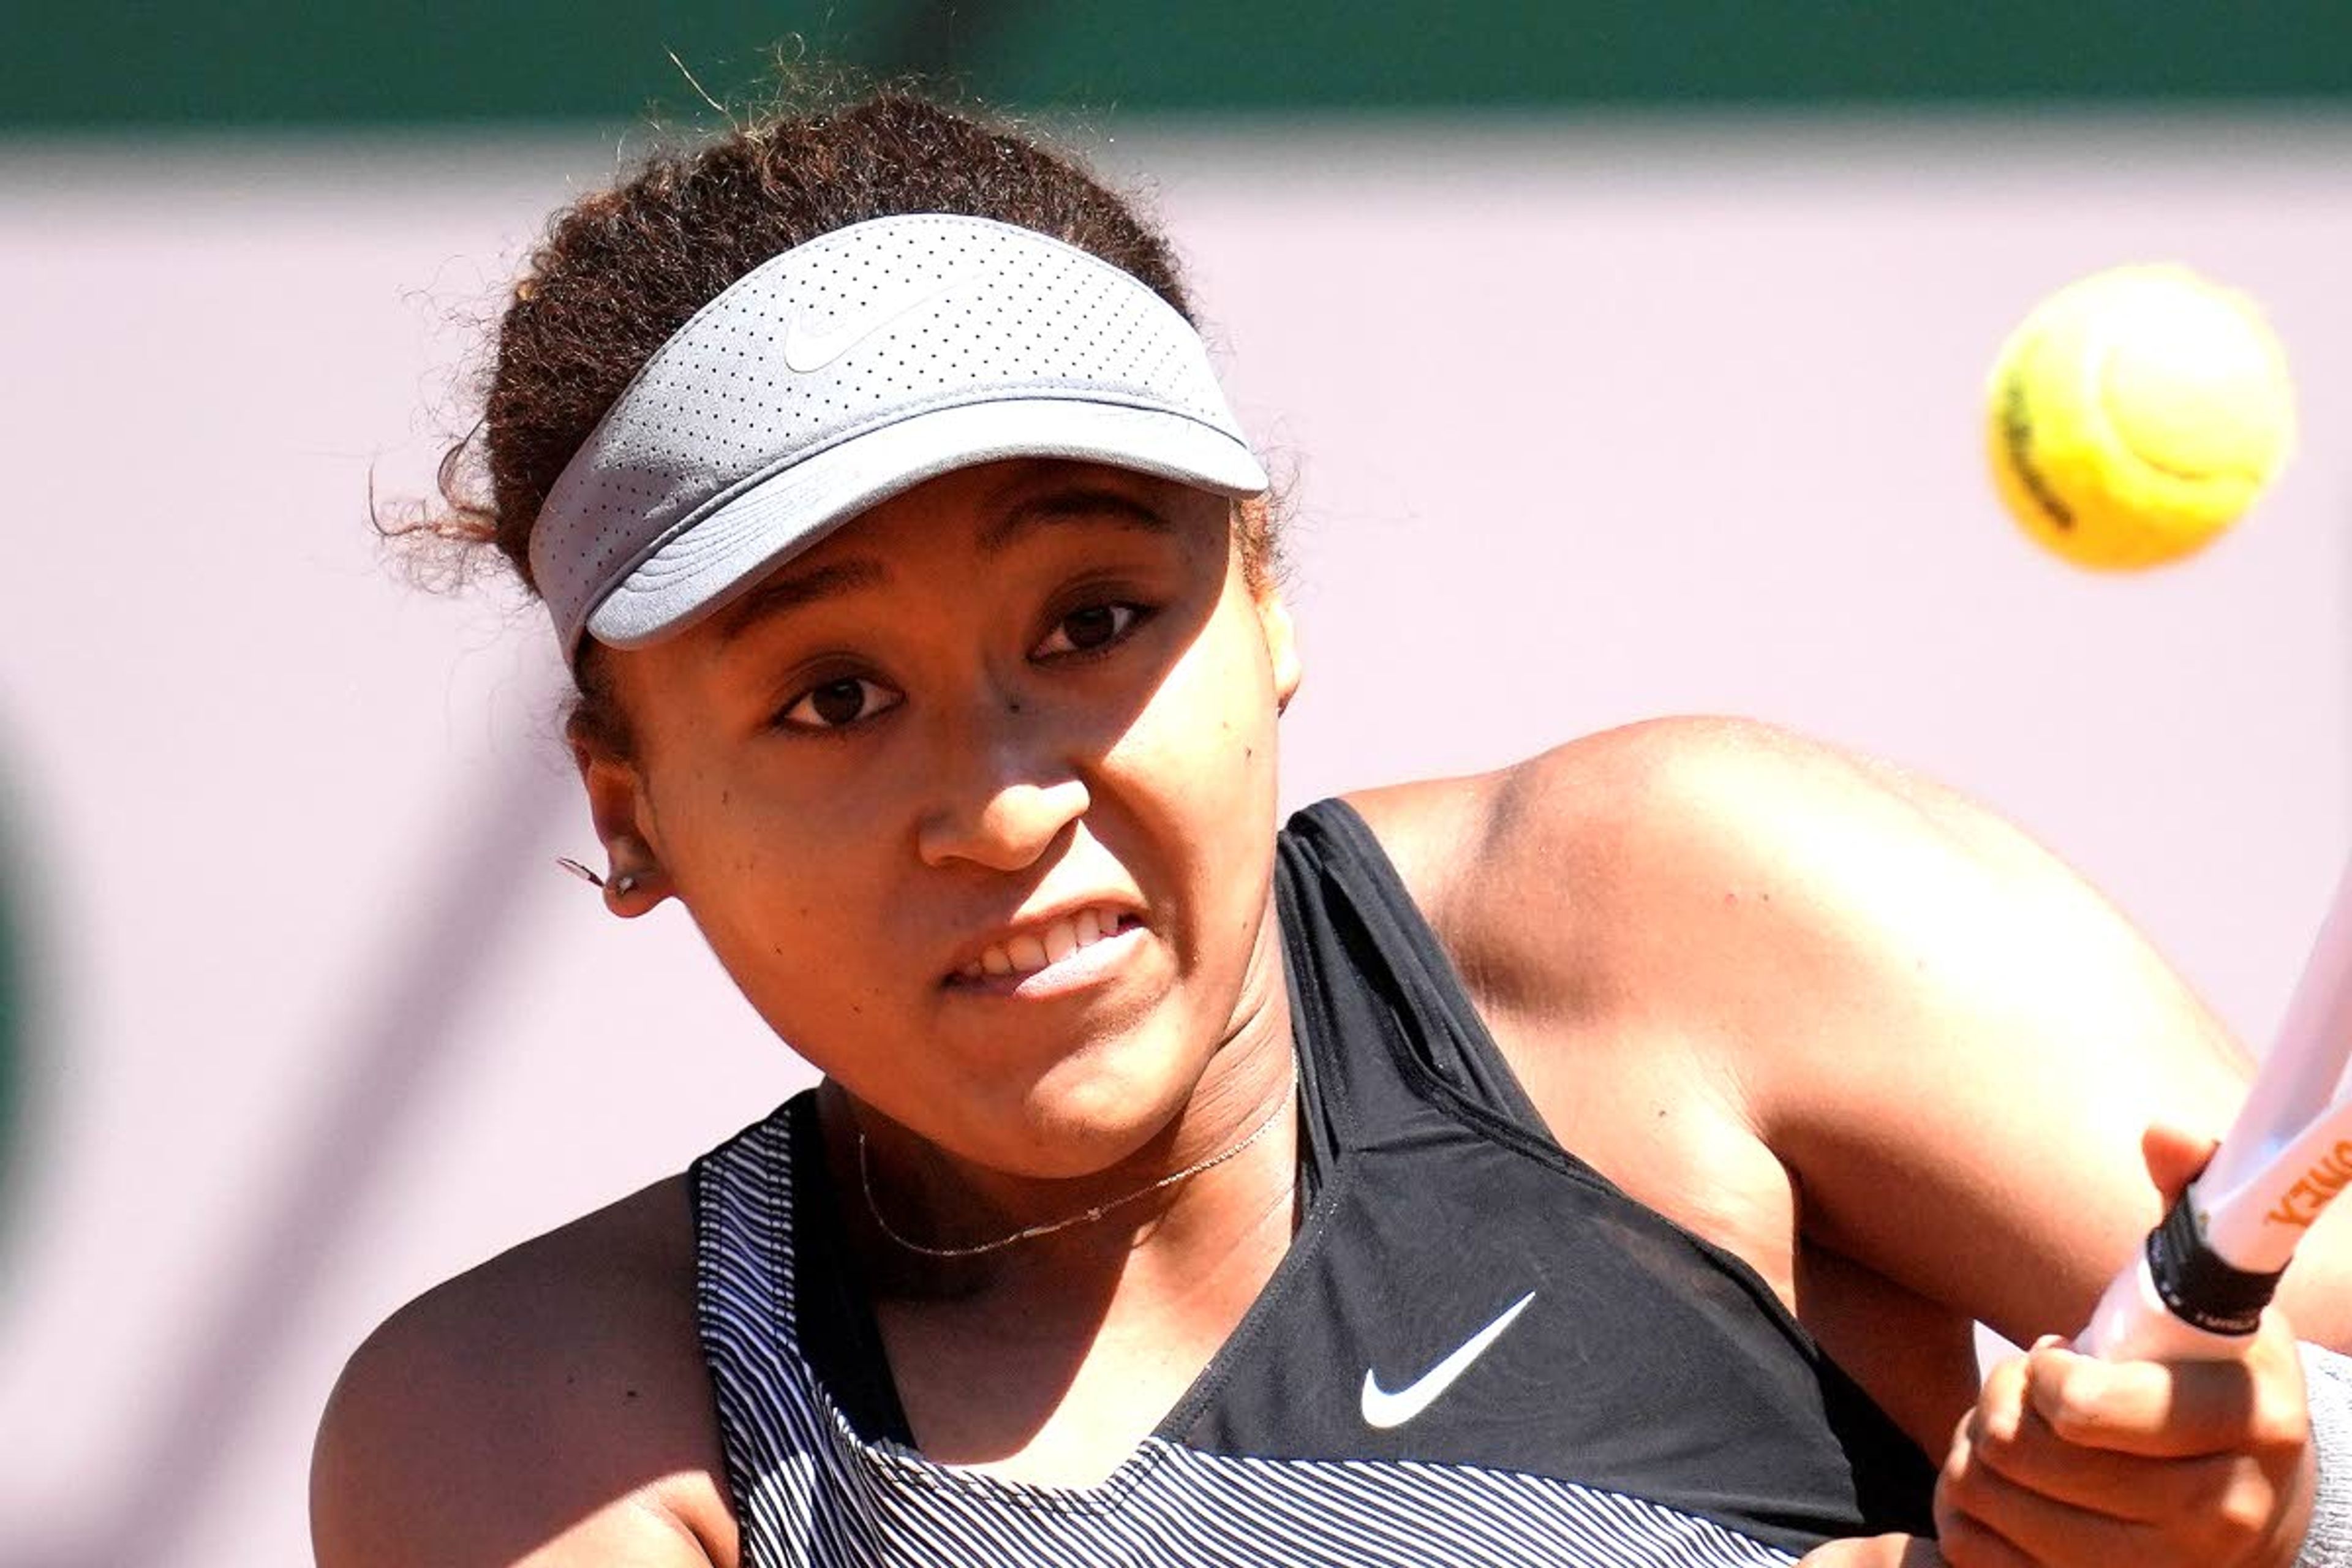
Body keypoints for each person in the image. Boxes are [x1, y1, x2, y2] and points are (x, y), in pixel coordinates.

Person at [311, 85, 2352, 1567]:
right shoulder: (534, 1434)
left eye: (1097, 621)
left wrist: (2292, 1499)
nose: (1009, 800)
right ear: (632, 806)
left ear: (1269, 602)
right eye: (835, 698)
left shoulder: (1686, 916)